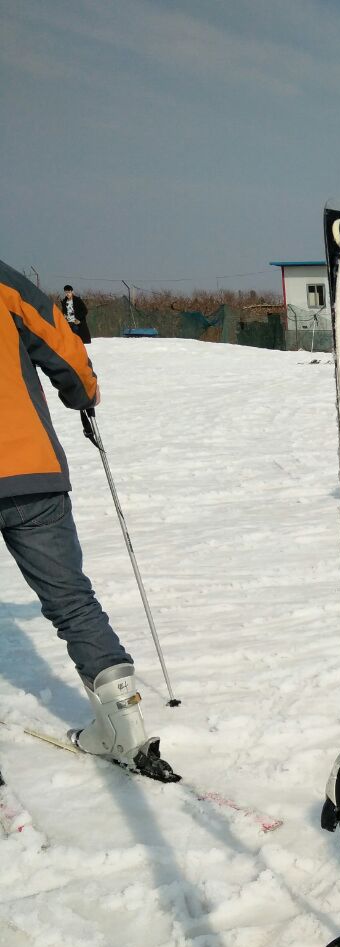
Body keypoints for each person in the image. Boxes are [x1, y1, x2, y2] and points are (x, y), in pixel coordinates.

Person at [1, 260, 176, 779]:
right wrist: (83, 394)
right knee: (72, 600)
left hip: (30, 471)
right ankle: (124, 724)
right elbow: (63, 344)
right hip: (29, 468)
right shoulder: (5, 283)